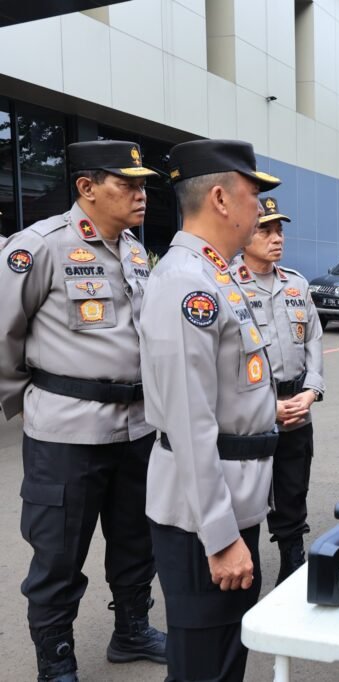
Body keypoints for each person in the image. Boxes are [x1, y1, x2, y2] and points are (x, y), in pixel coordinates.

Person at [0, 141, 165, 682]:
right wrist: (30, 402)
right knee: (58, 555)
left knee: (136, 539)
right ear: (87, 187)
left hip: (136, 427)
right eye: (128, 184)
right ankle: (56, 663)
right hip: (67, 432)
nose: (141, 194)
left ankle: (131, 630)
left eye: (143, 185)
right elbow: (3, 335)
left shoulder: (134, 251)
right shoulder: (40, 246)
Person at [139, 139, 280, 682]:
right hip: (203, 517)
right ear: (220, 198)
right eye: (253, 195)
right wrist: (220, 537)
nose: (260, 209)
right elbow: (190, 423)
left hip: (231, 500)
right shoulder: (186, 282)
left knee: (221, 656)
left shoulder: (216, 274)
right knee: (205, 666)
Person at [230, 196, 324, 586]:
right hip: (251, 413)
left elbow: (314, 340)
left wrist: (312, 390)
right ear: (243, 236)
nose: (276, 238)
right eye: (265, 230)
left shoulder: (296, 284)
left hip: (297, 406)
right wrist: (268, 406)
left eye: (279, 230)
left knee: (293, 487)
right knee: (247, 495)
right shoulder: (227, 285)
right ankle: (242, 569)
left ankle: (292, 559)